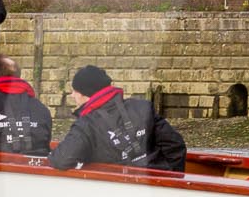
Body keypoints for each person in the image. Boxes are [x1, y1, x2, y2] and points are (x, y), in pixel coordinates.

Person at [48, 65, 186, 172]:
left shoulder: (86, 124)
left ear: (86, 93)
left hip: (116, 194)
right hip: (155, 189)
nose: (72, 95)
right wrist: (170, 179)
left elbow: (63, 159)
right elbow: (175, 145)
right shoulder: (142, 107)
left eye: (75, 90)